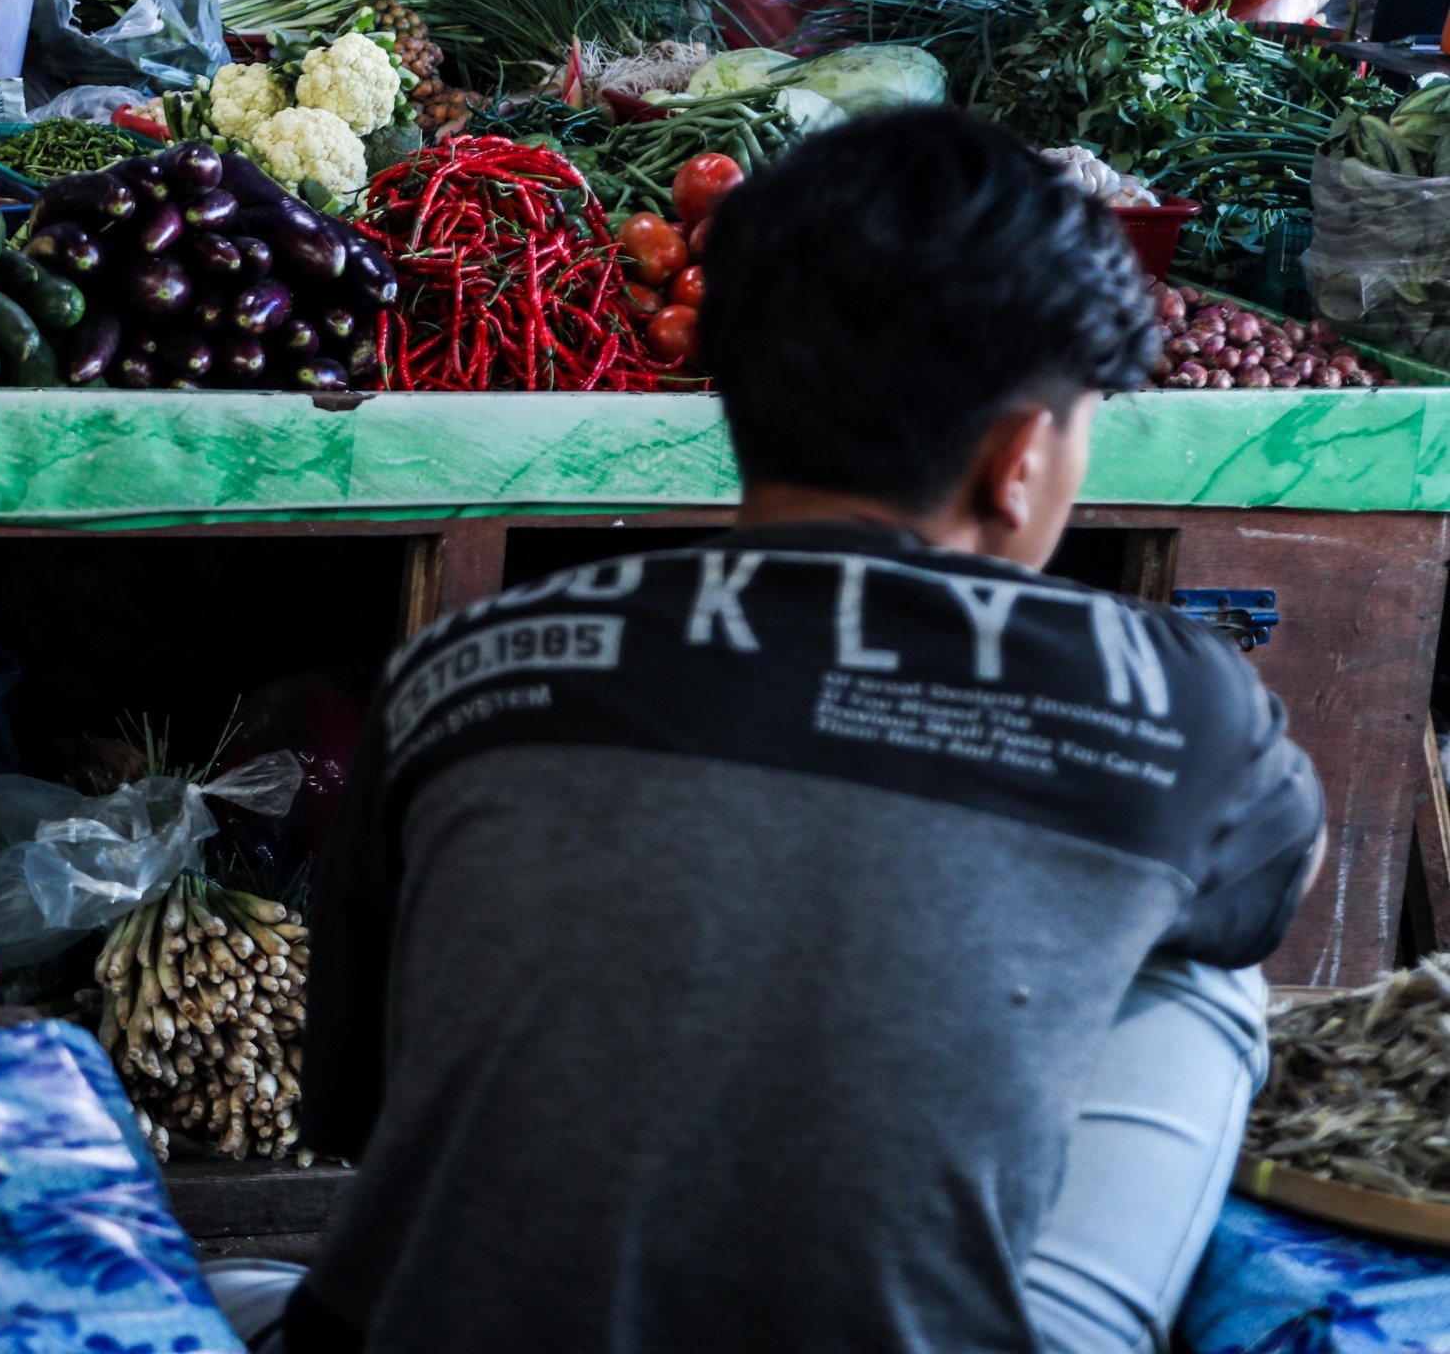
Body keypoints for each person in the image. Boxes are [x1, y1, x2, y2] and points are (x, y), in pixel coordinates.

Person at [257, 109, 1322, 1354]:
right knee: (1199, 972)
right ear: (1022, 458)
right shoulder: (1182, 702)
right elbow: (1255, 904)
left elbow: (366, 1107)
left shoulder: (466, 663)